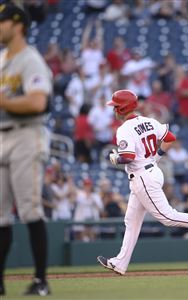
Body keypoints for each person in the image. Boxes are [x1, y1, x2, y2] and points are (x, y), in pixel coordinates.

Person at [96, 89, 188, 275]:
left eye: (115, 107)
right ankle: (120, 263)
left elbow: (127, 156)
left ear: (122, 108)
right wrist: (156, 158)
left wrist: (115, 159)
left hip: (143, 177)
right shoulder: (148, 121)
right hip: (150, 172)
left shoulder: (124, 129)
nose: (114, 110)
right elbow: (170, 138)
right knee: (131, 221)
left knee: (168, 217)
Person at [0, 3, 52, 296]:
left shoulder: (30, 60)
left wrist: (3, 101)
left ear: (17, 25)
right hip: (3, 136)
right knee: (0, 216)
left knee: (31, 210)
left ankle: (41, 281)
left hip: (26, 135)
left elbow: (37, 103)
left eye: (2, 21)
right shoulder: (3, 59)